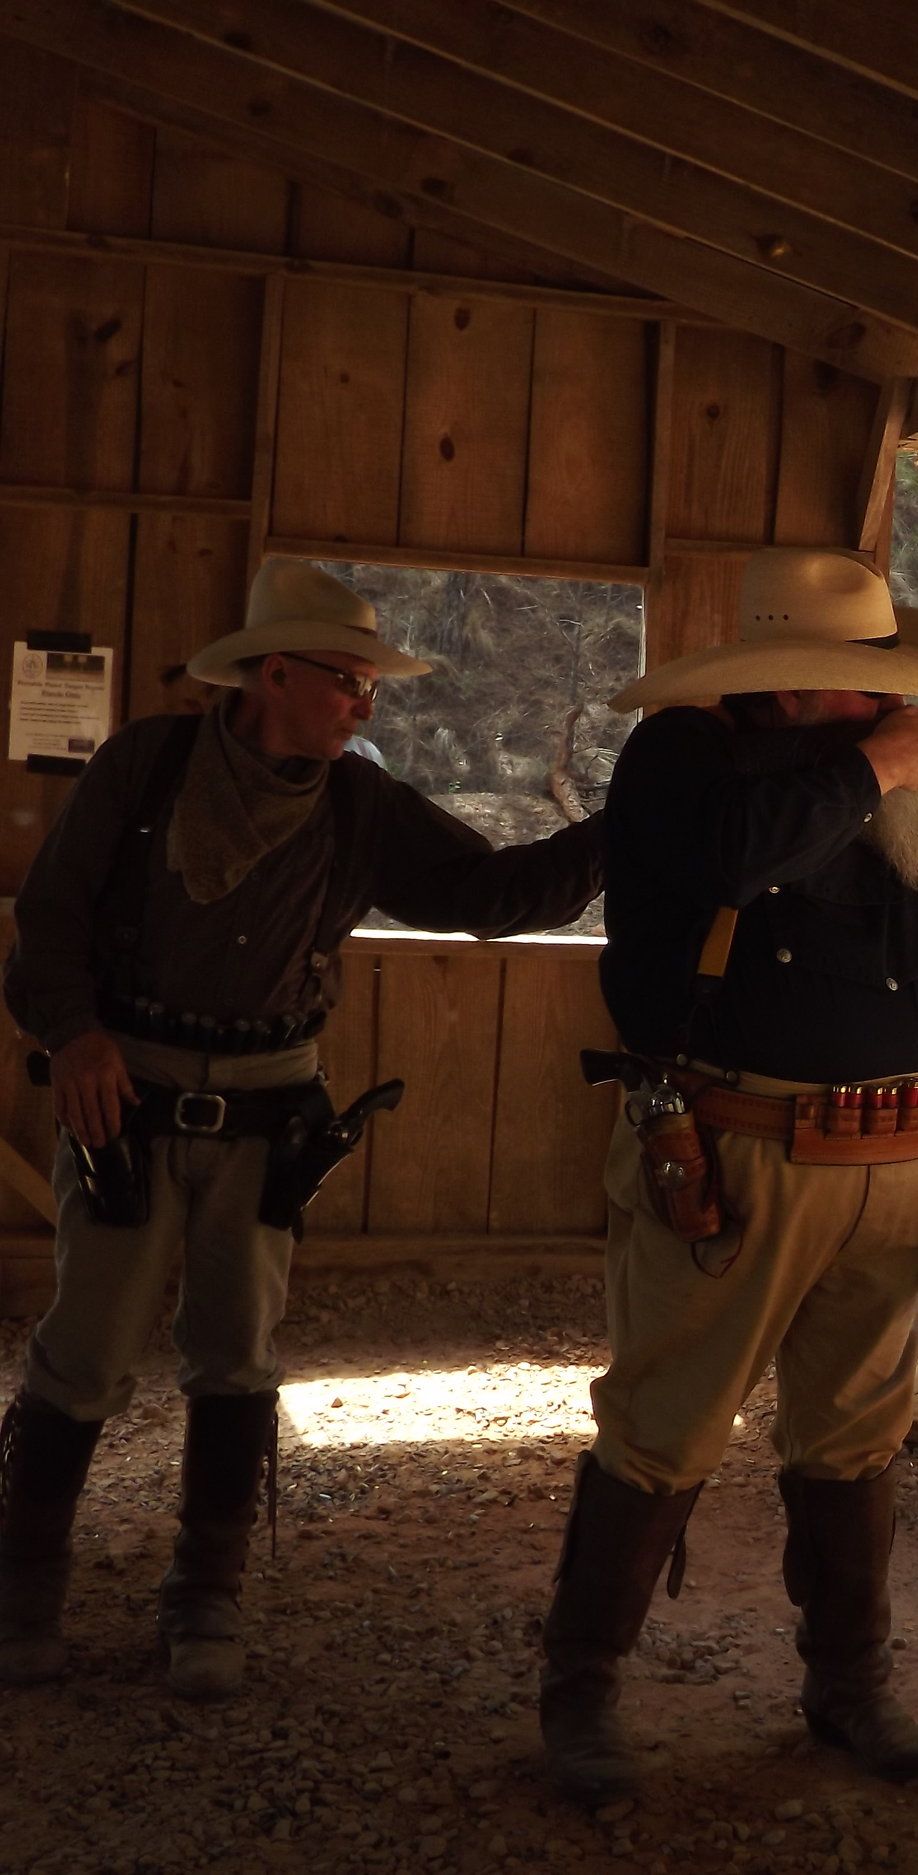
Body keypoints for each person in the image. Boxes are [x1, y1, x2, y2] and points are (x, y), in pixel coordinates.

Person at [538, 550, 918, 1800]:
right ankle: (581, 1694)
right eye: (862, 681)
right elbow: (724, 862)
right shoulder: (687, 761)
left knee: (856, 1436)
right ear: (795, 683)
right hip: (732, 1150)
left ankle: (850, 1688)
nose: (886, 700)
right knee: (663, 1428)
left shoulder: (886, 777)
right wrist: (880, 762)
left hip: (900, 1153)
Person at [0, 559, 605, 1700]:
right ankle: (25, 1584)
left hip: (272, 1104)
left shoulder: (359, 803)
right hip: (123, 1091)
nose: (365, 708)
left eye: (371, 689)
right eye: (347, 684)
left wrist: (639, 827)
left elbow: (489, 899)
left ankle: (206, 1593)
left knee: (237, 1357)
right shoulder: (147, 765)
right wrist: (75, 1037)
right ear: (272, 673)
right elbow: (51, 919)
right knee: (82, 1354)